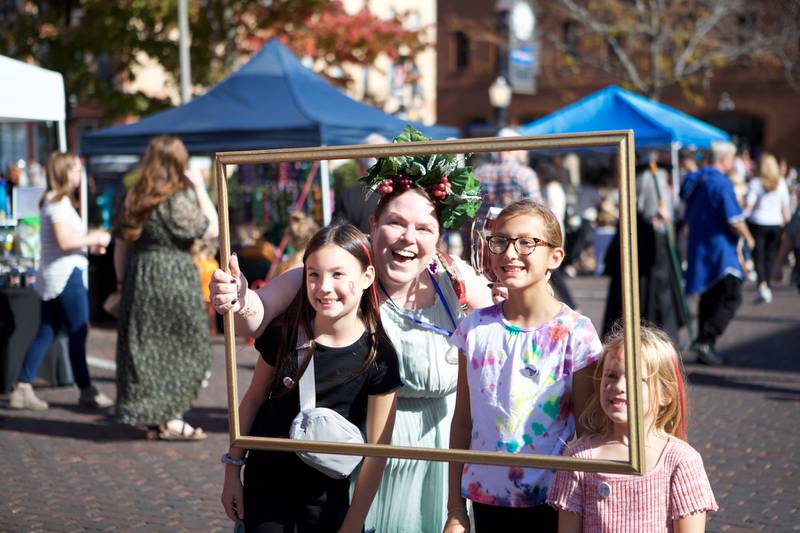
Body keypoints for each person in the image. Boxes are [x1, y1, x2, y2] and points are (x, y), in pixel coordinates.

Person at [211, 126, 494, 533]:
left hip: (436, 470)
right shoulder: (341, 274)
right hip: (355, 470)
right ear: (374, 223)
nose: (408, 238)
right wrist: (235, 296)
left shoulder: (458, 281)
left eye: (424, 229)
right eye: (396, 223)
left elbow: (511, 328)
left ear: (439, 236)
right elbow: (257, 313)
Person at [220, 223, 401, 532]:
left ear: (367, 276)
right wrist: (232, 473)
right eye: (313, 274)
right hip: (266, 486)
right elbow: (252, 400)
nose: (324, 287)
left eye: (338, 274)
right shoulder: (286, 332)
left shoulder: (379, 355)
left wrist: (354, 522)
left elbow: (378, 450)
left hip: (325, 497)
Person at [444, 200, 602, 533]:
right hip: (486, 499)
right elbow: (462, 422)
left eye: (526, 243)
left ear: (555, 257)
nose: (510, 253)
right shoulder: (474, 329)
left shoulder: (576, 333)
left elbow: (587, 433)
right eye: (500, 241)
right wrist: (455, 507)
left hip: (555, 503)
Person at [547, 323, 718, 531]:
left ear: (666, 394)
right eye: (611, 375)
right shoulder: (579, 458)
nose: (618, 387)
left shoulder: (681, 461)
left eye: (636, 379)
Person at [114, 135, 219, 440]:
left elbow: (122, 244)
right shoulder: (176, 198)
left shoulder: (134, 195)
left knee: (145, 348)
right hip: (174, 276)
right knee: (186, 346)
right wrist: (200, 188)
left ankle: (153, 416)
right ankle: (171, 417)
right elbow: (211, 228)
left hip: (141, 275)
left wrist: (122, 283)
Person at [9, 152, 113, 411]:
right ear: (64, 172)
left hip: (57, 275)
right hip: (65, 277)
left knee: (48, 331)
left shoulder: (57, 202)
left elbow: (65, 242)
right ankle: (86, 389)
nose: (79, 176)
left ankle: (23, 385)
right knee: (78, 332)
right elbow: (64, 241)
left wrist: (88, 243)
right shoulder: (57, 204)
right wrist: (94, 239)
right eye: (75, 171)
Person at [680, 141, 755, 366]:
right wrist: (749, 238)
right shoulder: (720, 182)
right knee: (732, 295)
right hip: (720, 249)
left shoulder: (696, 180)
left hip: (700, 246)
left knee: (710, 296)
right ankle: (705, 339)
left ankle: (706, 345)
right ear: (724, 159)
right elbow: (734, 219)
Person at [745, 153, 791, 304]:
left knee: (758, 256)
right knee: (770, 255)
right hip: (776, 223)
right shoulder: (782, 183)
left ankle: (762, 285)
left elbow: (749, 206)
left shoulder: (755, 183)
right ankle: (767, 286)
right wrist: (788, 224)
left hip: (758, 222)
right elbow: (785, 208)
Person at [473, 127, 542, 221]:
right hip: (514, 233)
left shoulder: (478, 174)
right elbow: (538, 214)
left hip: (482, 234)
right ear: (512, 147)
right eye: (523, 146)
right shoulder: (525, 174)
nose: (526, 152)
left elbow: (469, 213)